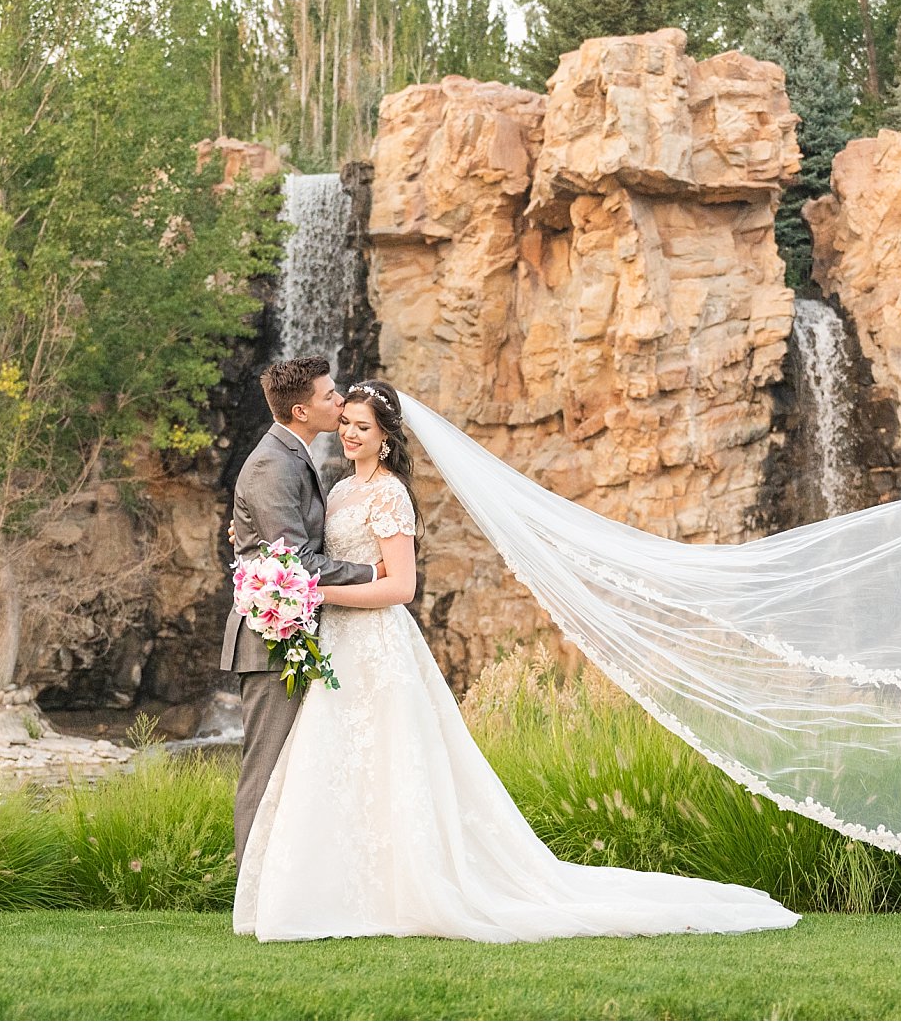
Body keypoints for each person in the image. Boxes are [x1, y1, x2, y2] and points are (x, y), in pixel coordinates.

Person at [233, 380, 798, 942]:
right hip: (338, 646)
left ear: (385, 438)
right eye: (347, 423)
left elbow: (401, 587)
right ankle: (345, 888)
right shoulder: (336, 492)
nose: (350, 434)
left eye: (363, 427)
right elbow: (304, 548)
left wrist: (316, 593)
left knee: (391, 762)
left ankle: (410, 889)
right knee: (339, 767)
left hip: (377, 644)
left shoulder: (389, 495)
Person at [222, 356, 380, 863]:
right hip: (271, 641)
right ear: (300, 409)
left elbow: (270, 543)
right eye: (330, 396)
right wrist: (370, 571)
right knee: (266, 769)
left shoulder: (293, 454)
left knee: (295, 769)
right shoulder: (273, 463)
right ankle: (252, 893)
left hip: (300, 633)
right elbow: (293, 561)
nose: (340, 401)